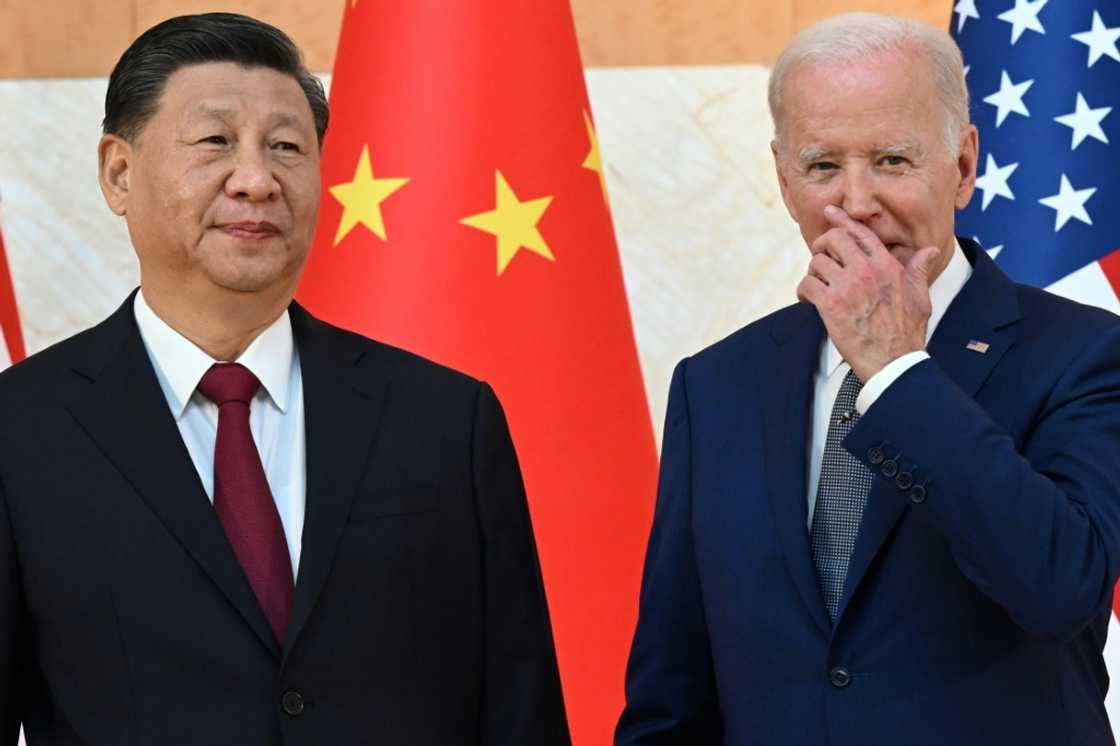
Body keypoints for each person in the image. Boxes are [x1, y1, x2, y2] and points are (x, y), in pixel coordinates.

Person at [0, 13, 569, 746]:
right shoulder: (23, 432)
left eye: (287, 147)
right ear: (119, 172)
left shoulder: (445, 421)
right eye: (215, 142)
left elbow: (521, 713)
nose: (257, 180)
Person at [616, 12, 1120, 746]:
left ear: (965, 166)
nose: (854, 202)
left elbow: (1059, 588)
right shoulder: (716, 383)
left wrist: (894, 369)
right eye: (823, 166)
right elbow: (674, 686)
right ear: (784, 179)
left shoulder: (1086, 354)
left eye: (891, 160)